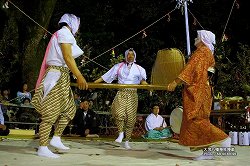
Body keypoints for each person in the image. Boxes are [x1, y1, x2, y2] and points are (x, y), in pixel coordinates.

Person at [167, 30, 231, 160]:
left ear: (203, 39)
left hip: (198, 91)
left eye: (198, 37)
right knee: (200, 119)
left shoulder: (201, 52)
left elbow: (190, 69)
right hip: (204, 90)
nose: (195, 38)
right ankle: (207, 152)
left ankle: (223, 138)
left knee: (196, 120)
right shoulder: (208, 53)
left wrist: (175, 81)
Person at [31, 13, 88, 158]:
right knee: (50, 113)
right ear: (71, 23)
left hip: (62, 75)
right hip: (56, 75)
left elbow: (68, 58)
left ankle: (56, 138)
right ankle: (43, 147)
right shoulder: (64, 33)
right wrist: (79, 76)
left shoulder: (63, 33)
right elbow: (68, 57)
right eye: (77, 23)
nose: (78, 27)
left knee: (69, 109)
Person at [94, 48, 148, 149]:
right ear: (126, 56)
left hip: (132, 94)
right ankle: (121, 134)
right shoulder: (118, 67)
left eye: (132, 54)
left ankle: (127, 140)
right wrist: (93, 83)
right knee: (119, 113)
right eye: (128, 54)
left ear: (134, 56)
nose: (130, 56)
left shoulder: (140, 69)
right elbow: (106, 76)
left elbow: (143, 81)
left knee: (131, 119)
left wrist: (149, 87)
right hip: (121, 92)